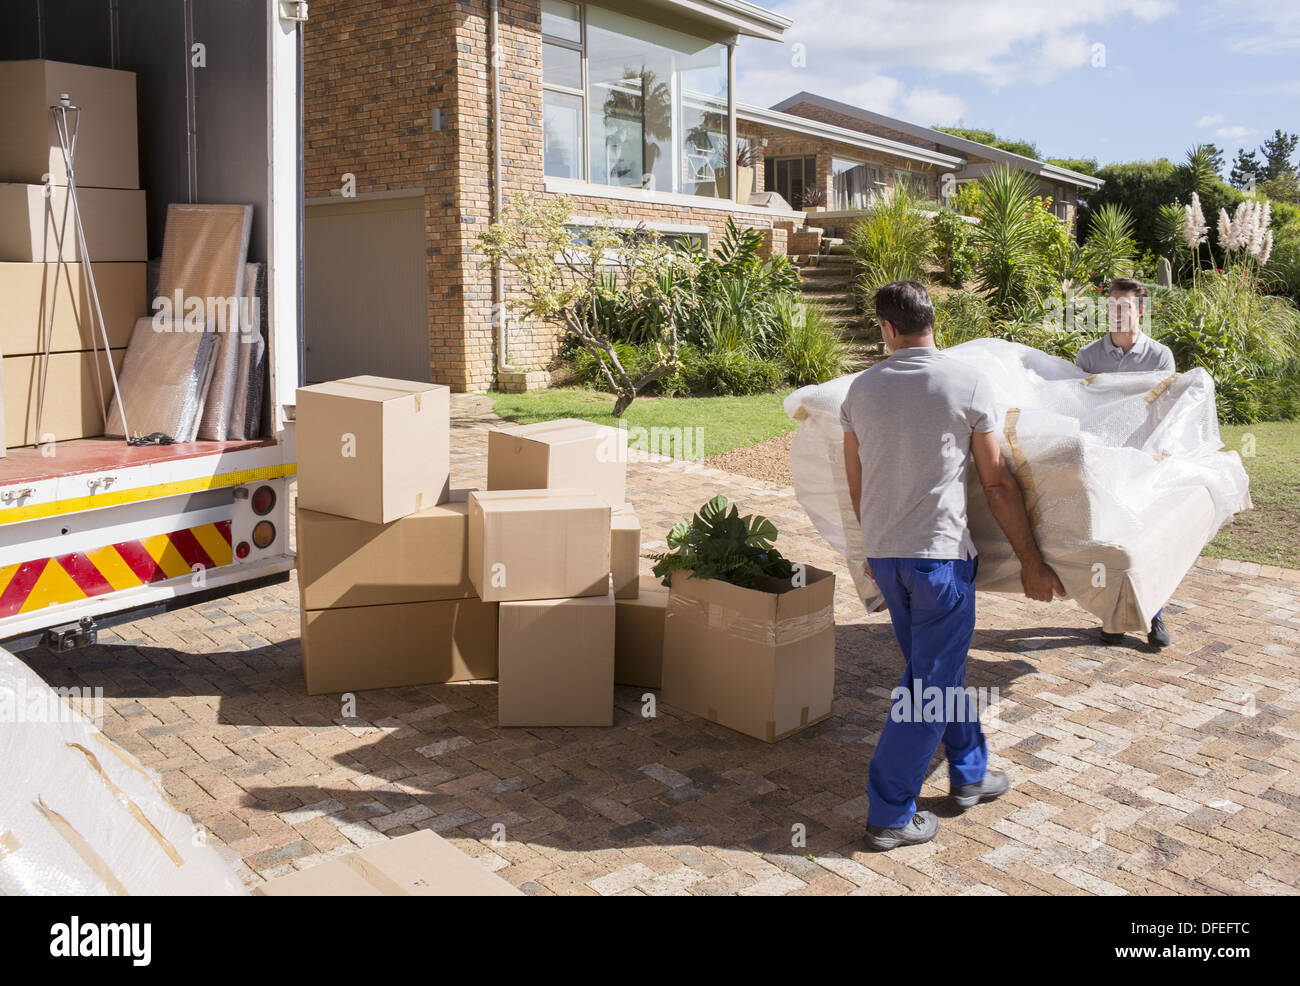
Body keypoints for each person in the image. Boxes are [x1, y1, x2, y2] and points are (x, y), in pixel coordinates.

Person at [841, 280, 1065, 851]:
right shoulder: (966, 382)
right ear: (932, 322)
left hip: (888, 556)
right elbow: (996, 482)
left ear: (887, 329)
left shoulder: (859, 391)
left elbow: (857, 482)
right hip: (939, 559)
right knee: (928, 689)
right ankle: (890, 812)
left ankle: (968, 772)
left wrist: (869, 549)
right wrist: (1031, 562)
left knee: (934, 670)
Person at [1074, 276, 1176, 649]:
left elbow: (1161, 412)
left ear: (1141, 311)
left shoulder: (1160, 356)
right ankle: (1113, 619)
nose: (1117, 313)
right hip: (1102, 463)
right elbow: (1081, 409)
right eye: (1112, 306)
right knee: (1110, 543)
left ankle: (1154, 616)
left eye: (1126, 307)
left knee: (1146, 539)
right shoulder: (1088, 357)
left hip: (1142, 462)